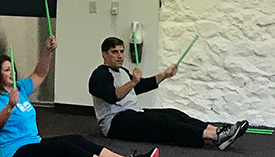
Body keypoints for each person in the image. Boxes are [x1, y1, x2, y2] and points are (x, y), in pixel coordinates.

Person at [0, 42, 156, 157]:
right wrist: (10, 106)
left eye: (12, 68)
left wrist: (47, 51)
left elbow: (40, 73)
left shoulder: (19, 88)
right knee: (65, 147)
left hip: (32, 144)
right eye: (7, 70)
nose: (12, 72)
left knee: (76, 139)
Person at [89, 37, 247, 149]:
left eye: (122, 51)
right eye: (114, 52)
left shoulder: (122, 71)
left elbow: (141, 86)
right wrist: (133, 82)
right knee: (164, 122)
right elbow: (112, 96)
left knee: (174, 113)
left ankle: (219, 130)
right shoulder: (99, 75)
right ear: (104, 54)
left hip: (132, 113)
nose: (120, 55)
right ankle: (215, 137)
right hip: (115, 123)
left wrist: (165, 74)